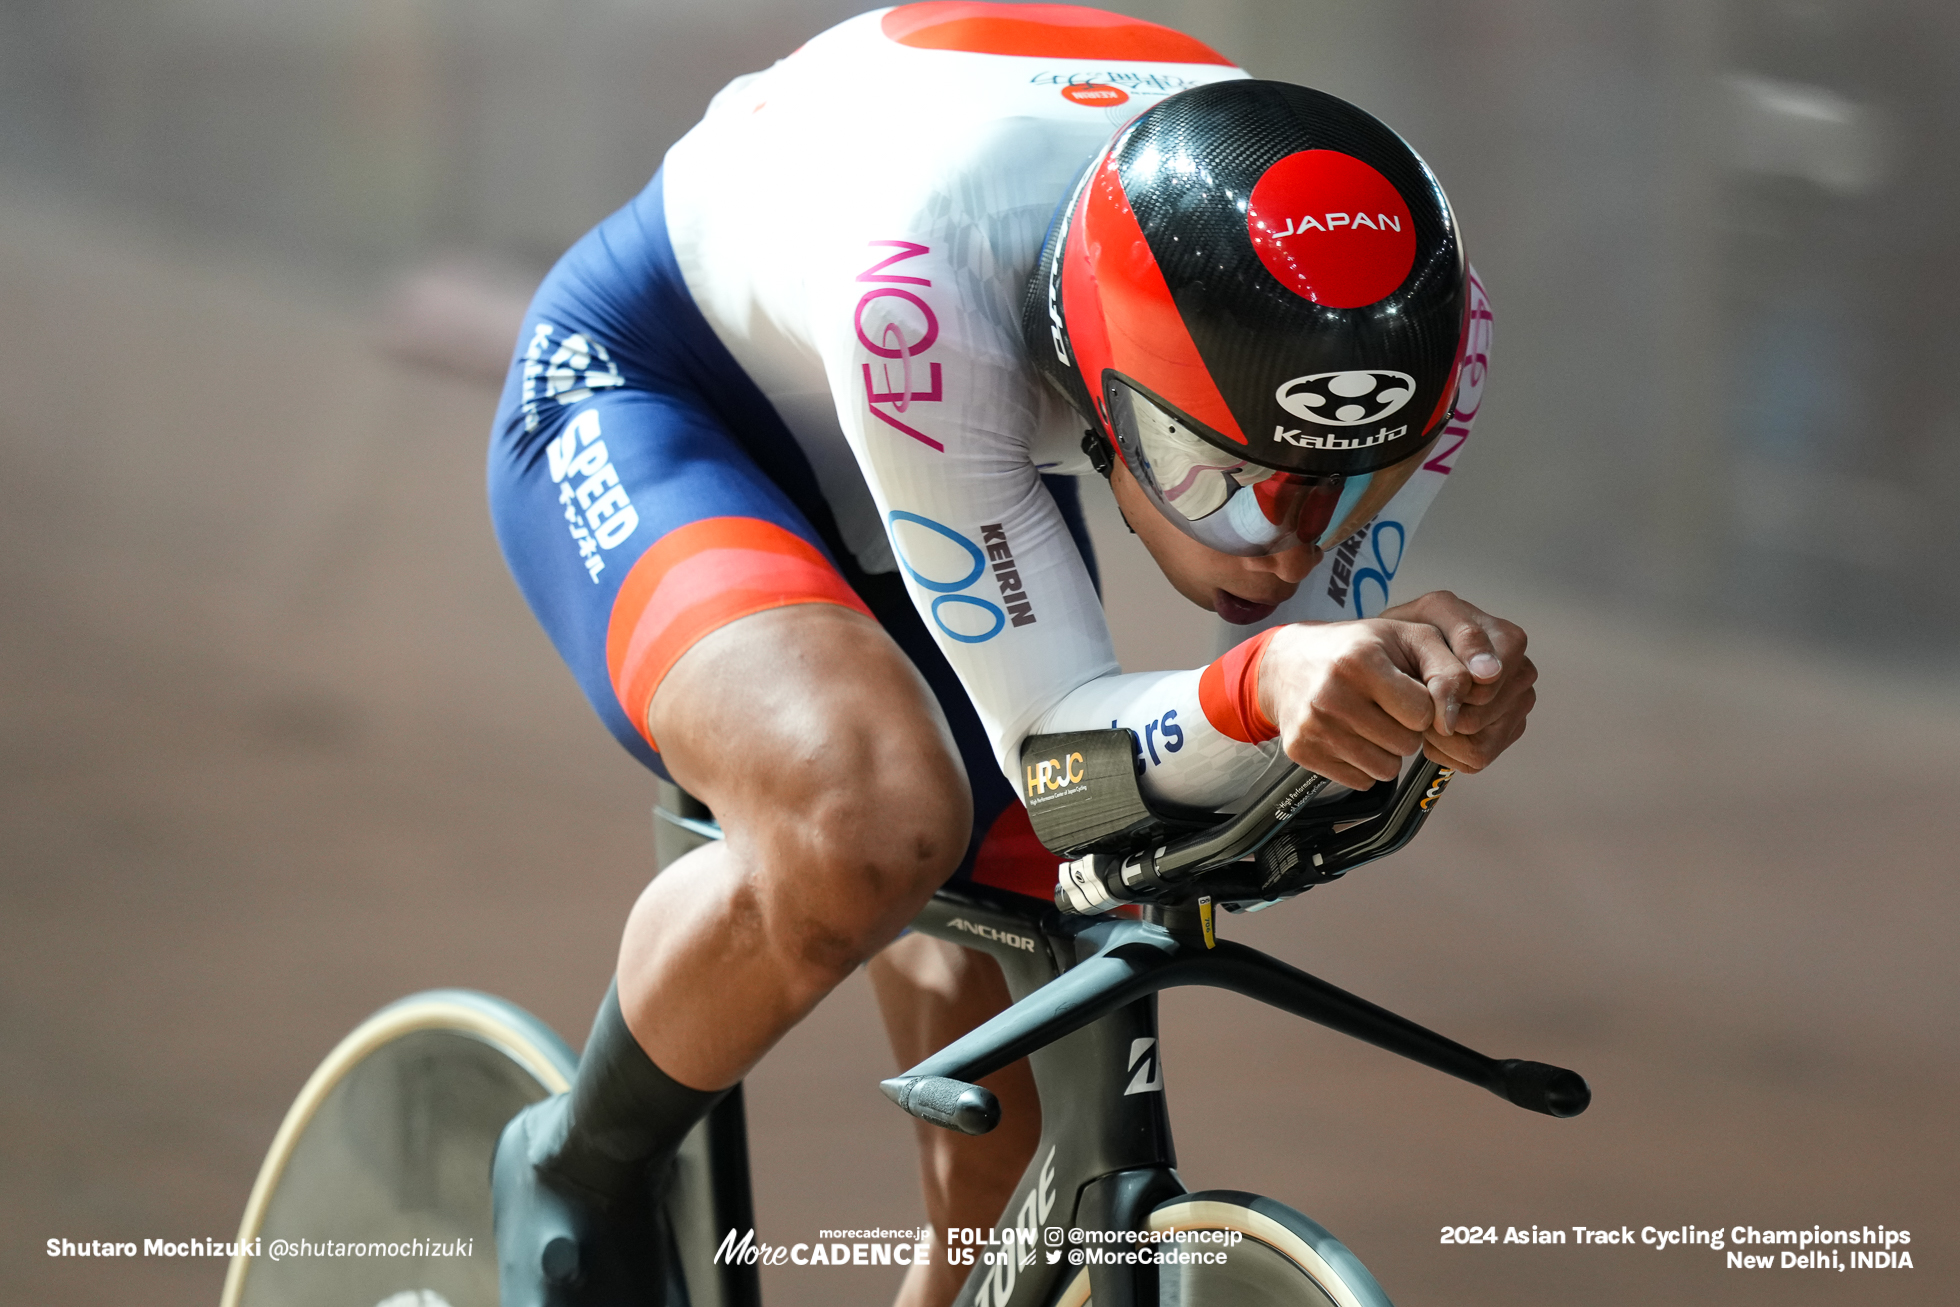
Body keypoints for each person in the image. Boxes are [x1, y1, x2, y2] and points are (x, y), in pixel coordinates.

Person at [484, 5, 1528, 1306]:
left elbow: (1283, 678)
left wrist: (1414, 696)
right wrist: (1277, 683)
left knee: (1014, 1132)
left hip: (953, 443)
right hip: (668, 395)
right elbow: (1072, 764)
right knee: (864, 820)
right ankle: (577, 1171)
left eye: (1336, 484)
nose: (1273, 545)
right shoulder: (923, 290)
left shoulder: (1421, 326)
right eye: (1218, 479)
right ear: (1098, 389)